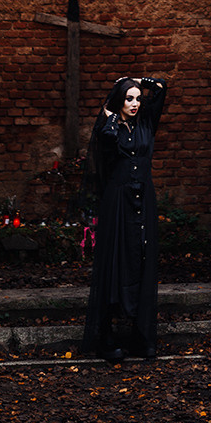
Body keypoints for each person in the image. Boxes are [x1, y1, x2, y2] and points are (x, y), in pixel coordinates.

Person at [81, 74, 167, 361]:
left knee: (142, 260)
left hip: (144, 200)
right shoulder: (109, 126)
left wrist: (139, 80)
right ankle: (106, 338)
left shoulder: (146, 122)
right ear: (118, 101)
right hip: (118, 202)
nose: (134, 103)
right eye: (128, 98)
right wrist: (107, 114)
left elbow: (161, 88)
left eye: (137, 98)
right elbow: (104, 149)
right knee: (115, 262)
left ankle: (142, 337)